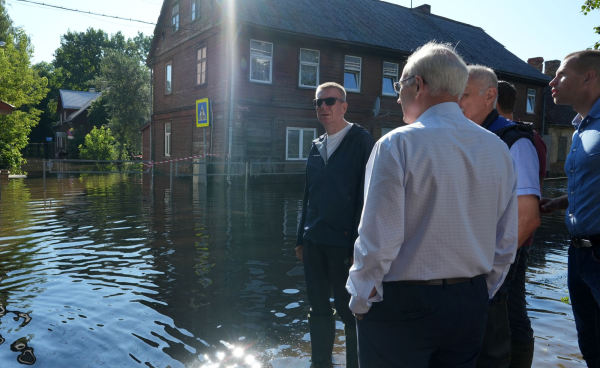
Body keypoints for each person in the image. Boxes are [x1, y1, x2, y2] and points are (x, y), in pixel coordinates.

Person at [346, 42, 518, 367]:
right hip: (469, 301)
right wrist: (481, 290)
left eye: (400, 87)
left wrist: (360, 298)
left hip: (402, 303)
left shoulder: (397, 144)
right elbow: (506, 240)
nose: (397, 97)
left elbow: (379, 240)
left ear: (419, 85)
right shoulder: (497, 149)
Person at [459, 65, 541, 368]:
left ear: (490, 95)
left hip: (491, 267)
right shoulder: (469, 138)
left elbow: (528, 219)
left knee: (495, 341)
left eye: (464, 96)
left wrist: (490, 270)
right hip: (468, 265)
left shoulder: (515, 141)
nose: (456, 104)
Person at [296, 82, 375, 368]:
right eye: (318, 103)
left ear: (344, 105)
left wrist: (360, 243)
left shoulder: (361, 140)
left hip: (344, 242)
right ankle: (320, 362)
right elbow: (308, 193)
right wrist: (300, 238)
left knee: (349, 308)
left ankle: (356, 363)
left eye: (330, 101)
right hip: (314, 239)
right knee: (318, 306)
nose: (323, 107)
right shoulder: (316, 145)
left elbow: (368, 197)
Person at [540, 50, 600, 368]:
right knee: (590, 345)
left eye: (561, 74)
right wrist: (562, 202)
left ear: (589, 76)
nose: (553, 80)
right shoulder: (580, 127)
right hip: (578, 255)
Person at [497, 79, 547, 367]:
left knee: (513, 308)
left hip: (514, 239)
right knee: (511, 306)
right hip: (516, 238)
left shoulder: (518, 139)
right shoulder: (534, 136)